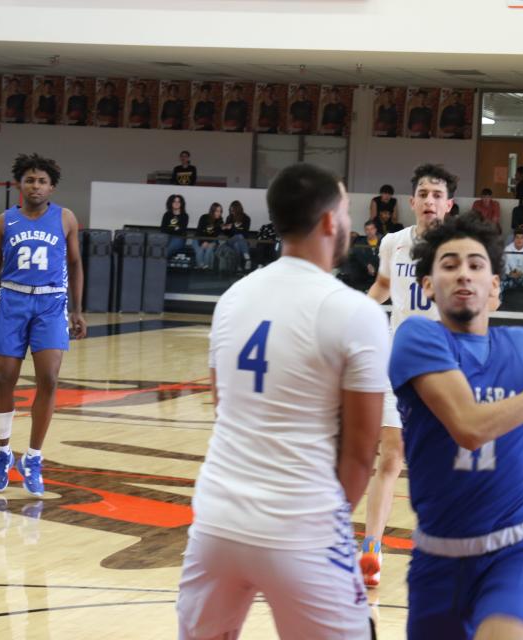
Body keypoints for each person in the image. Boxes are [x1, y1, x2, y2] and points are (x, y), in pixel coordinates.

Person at [176, 163, 390, 639]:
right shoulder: (355, 311)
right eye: (348, 211)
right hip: (303, 525)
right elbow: (359, 454)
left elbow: (222, 407)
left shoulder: (232, 297)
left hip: (216, 520)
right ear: (331, 221)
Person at [390, 214, 523, 640]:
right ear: (428, 285)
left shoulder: (519, 344)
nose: (463, 275)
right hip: (437, 556)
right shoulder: (417, 337)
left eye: (476, 265)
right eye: (449, 265)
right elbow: (469, 428)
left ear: (495, 286)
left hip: (514, 548)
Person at [362, 163, 457, 587]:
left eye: (438, 194)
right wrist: (359, 312)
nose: (430, 201)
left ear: (449, 205)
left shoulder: (460, 249)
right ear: (413, 201)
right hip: (396, 359)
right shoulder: (393, 243)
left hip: (442, 365)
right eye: (424, 193)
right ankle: (371, 549)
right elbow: (383, 287)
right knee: (391, 455)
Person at [0, 153, 87, 497]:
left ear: (52, 187)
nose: (36, 185)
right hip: (12, 301)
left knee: (49, 379)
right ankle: (2, 453)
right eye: (30, 180)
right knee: (4, 379)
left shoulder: (66, 219)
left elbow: (74, 264)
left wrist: (78, 310)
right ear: (19, 185)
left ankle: (34, 458)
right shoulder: (5, 221)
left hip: (51, 303)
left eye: (42, 181)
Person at [343, 221, 381, 292]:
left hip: (379, 270)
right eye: (367, 229)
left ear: (375, 229)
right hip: (365, 271)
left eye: (372, 229)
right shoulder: (360, 242)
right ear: (365, 231)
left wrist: (374, 266)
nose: (369, 231)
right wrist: (367, 265)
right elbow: (358, 256)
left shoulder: (383, 241)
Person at [223, 200, 253, 271]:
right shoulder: (229, 218)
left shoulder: (246, 218)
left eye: (233, 210)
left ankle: (238, 266)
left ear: (237, 210)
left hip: (242, 241)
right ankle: (247, 258)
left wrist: (233, 228)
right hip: (230, 241)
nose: (231, 212)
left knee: (237, 244)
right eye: (230, 210)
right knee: (239, 236)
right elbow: (227, 234)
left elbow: (245, 232)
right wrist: (226, 228)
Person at [194, 202, 224, 270]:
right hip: (198, 239)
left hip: (211, 240)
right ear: (212, 211)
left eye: (220, 211)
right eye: (217, 211)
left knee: (209, 250)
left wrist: (209, 242)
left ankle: (206, 268)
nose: (219, 213)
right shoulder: (204, 217)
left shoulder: (220, 220)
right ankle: (201, 267)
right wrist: (202, 242)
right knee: (200, 250)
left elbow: (215, 235)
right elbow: (199, 232)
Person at [161, 194, 190, 259]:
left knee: (167, 250)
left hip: (179, 238)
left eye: (178, 201)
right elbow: (163, 229)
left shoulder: (185, 216)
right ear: (171, 203)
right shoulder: (167, 215)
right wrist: (175, 228)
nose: (176, 203)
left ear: (181, 203)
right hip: (167, 237)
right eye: (174, 201)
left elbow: (182, 230)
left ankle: (159, 263)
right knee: (159, 247)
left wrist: (170, 228)